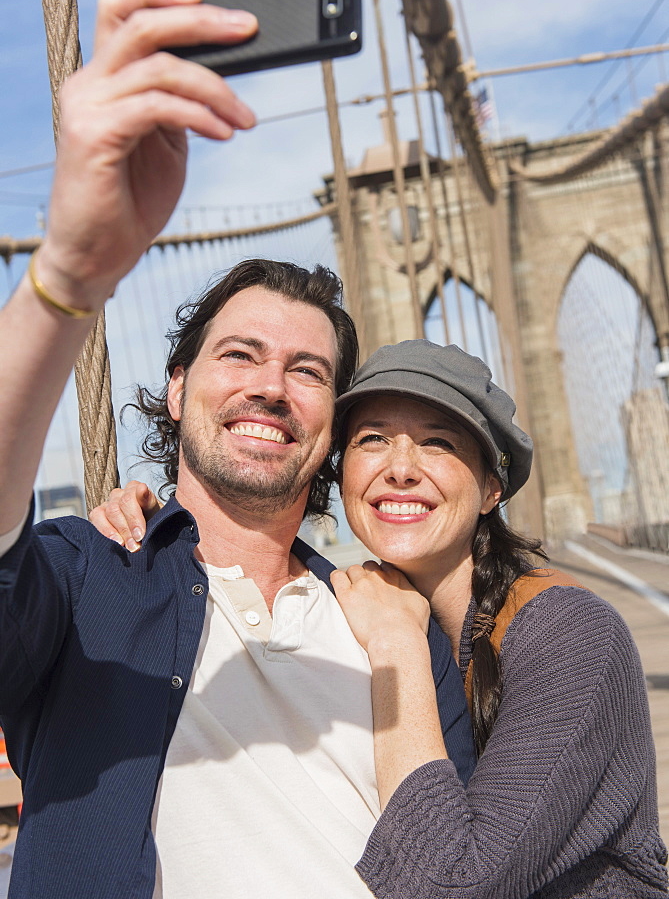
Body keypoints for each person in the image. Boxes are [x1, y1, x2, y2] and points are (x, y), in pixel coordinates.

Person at [0, 0, 474, 899]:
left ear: (333, 423)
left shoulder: (393, 625)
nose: (270, 385)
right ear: (175, 390)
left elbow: (465, 863)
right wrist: (69, 271)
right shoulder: (84, 579)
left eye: (307, 371)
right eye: (240, 355)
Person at [104, 339, 668, 897]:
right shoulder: (359, 611)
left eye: (438, 444)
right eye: (372, 440)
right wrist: (158, 530)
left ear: (491, 487)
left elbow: (449, 884)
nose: (400, 469)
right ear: (342, 471)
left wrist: (398, 646)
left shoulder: (568, 636)